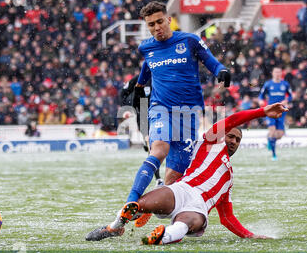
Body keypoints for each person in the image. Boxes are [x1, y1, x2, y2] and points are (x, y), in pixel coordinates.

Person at [91, 1, 231, 234]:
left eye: (159, 21)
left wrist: (221, 71)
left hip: (188, 114)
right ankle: (122, 216)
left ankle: (145, 209)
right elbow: (149, 66)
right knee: (159, 149)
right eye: (151, 25)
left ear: (168, 19)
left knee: (173, 179)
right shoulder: (147, 47)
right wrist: (139, 84)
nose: (156, 27)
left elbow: (210, 60)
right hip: (160, 109)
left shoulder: (189, 40)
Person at [85, 102, 288, 243]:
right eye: (230, 136)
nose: (233, 141)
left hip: (198, 205)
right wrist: (262, 112)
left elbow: (227, 218)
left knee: (187, 221)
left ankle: (161, 236)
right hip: (181, 190)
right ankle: (116, 225)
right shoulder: (210, 143)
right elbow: (233, 119)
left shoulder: (229, 180)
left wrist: (249, 235)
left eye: (237, 140)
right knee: (142, 203)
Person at [258, 66, 293, 161]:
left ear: (281, 73)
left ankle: (270, 139)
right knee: (272, 130)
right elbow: (261, 95)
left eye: (279, 72)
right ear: (273, 73)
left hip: (281, 110)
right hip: (271, 110)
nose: (277, 74)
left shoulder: (285, 84)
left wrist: (286, 100)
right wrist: (261, 101)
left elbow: (290, 96)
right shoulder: (268, 84)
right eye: (276, 72)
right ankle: (274, 155)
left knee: (280, 134)